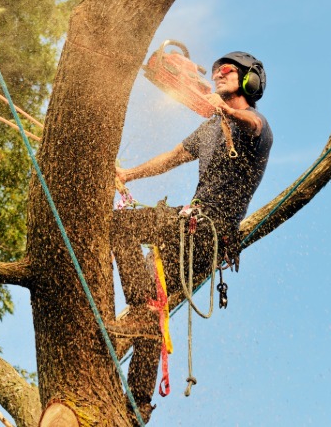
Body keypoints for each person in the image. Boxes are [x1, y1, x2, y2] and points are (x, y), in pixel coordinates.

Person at [110, 51, 273, 422]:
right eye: (215, 71)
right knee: (152, 309)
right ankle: (137, 404)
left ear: (250, 81)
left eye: (227, 71)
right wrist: (127, 174)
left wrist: (226, 110)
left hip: (207, 232)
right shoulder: (209, 128)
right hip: (186, 227)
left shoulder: (254, 125)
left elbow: (252, 124)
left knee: (120, 227)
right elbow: (171, 158)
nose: (218, 74)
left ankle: (140, 304)